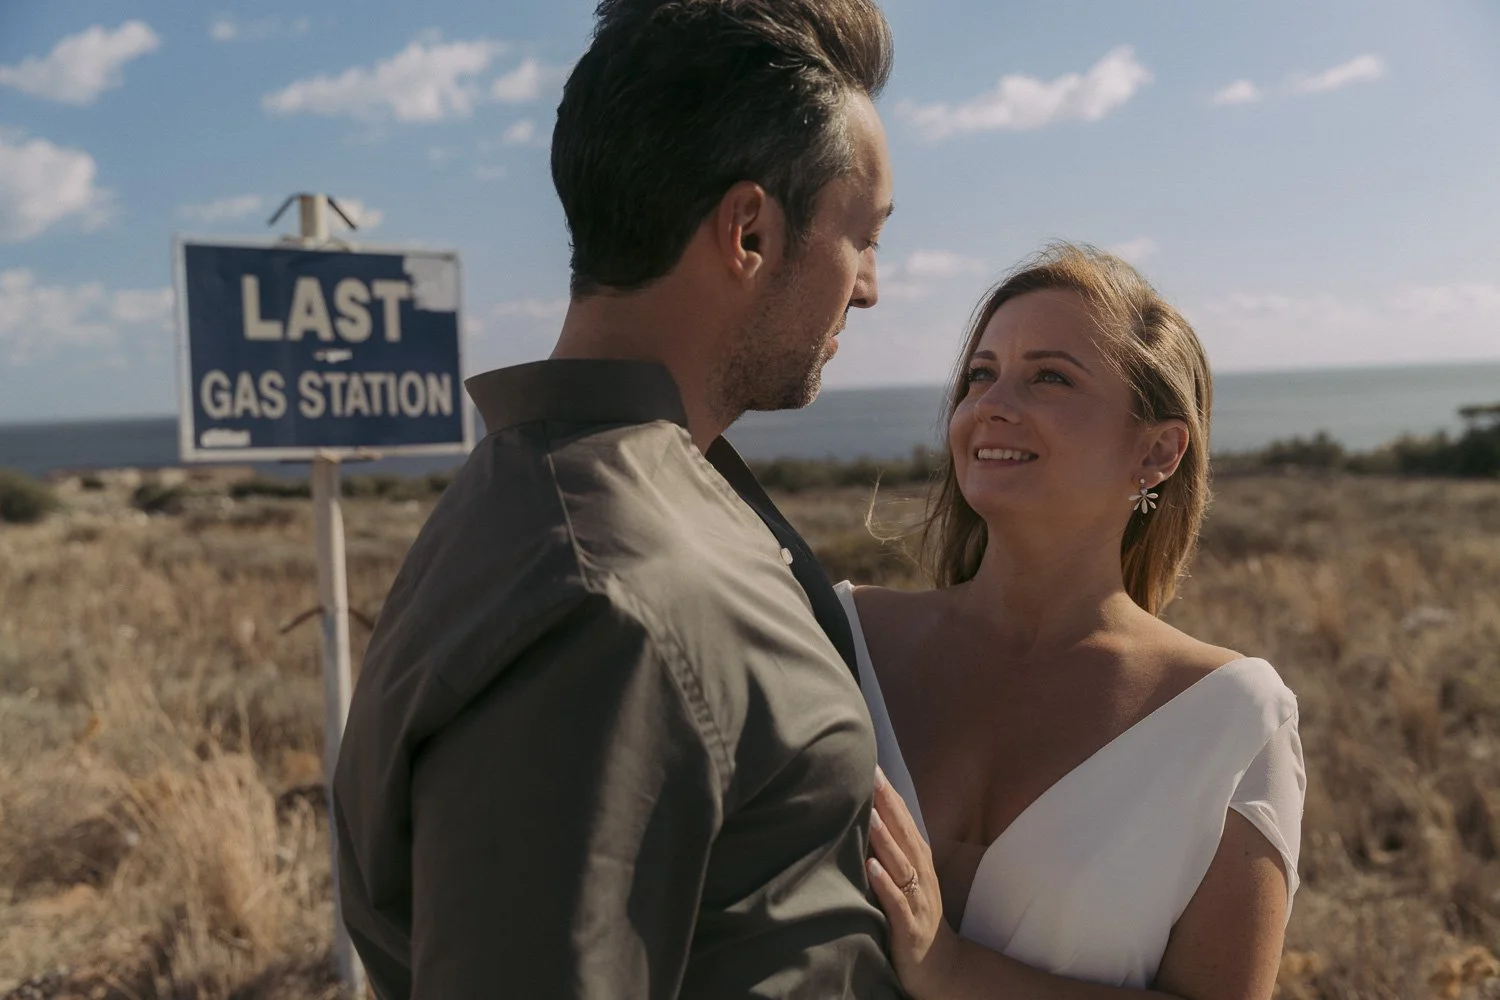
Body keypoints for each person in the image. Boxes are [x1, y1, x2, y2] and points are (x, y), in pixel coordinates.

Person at [331, 1, 905, 997]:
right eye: (865, 239)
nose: (870, 289)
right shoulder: (610, 602)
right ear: (751, 233)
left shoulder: (619, 500)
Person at [839, 243, 1305, 998]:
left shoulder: (1228, 719)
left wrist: (952, 969)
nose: (992, 403)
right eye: (980, 375)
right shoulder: (840, 637)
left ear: (1156, 451)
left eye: (1049, 377)